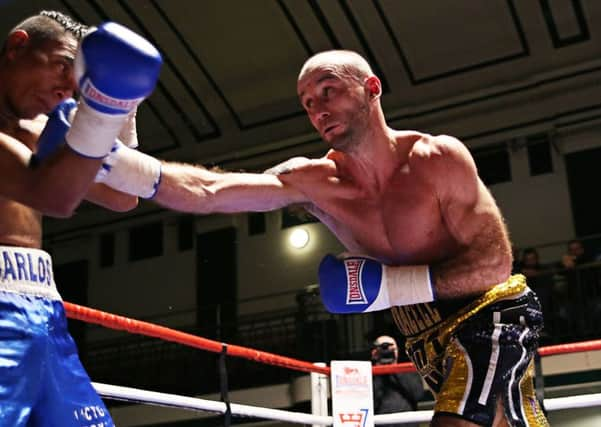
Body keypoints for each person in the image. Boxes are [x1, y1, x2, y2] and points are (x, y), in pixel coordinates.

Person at [94, 49, 548, 426]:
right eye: (308, 103)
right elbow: (213, 191)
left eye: (328, 90)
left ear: (371, 88)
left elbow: (494, 266)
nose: (318, 109)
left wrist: (388, 289)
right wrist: (118, 162)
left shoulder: (436, 158)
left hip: (493, 315)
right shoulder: (314, 182)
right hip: (424, 338)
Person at [0, 10, 161, 425]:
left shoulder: (40, 130)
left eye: (77, 79)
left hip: (43, 310)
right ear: (18, 46)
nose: (66, 87)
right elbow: (54, 195)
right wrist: (100, 113)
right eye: (61, 66)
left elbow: (125, 196)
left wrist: (124, 106)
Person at [371, 335, 424, 427]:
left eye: (391, 348)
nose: (387, 351)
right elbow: (371, 403)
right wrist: (379, 368)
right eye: (383, 348)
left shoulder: (408, 370)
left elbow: (418, 395)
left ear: (397, 351)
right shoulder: (369, 375)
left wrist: (395, 368)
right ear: (374, 353)